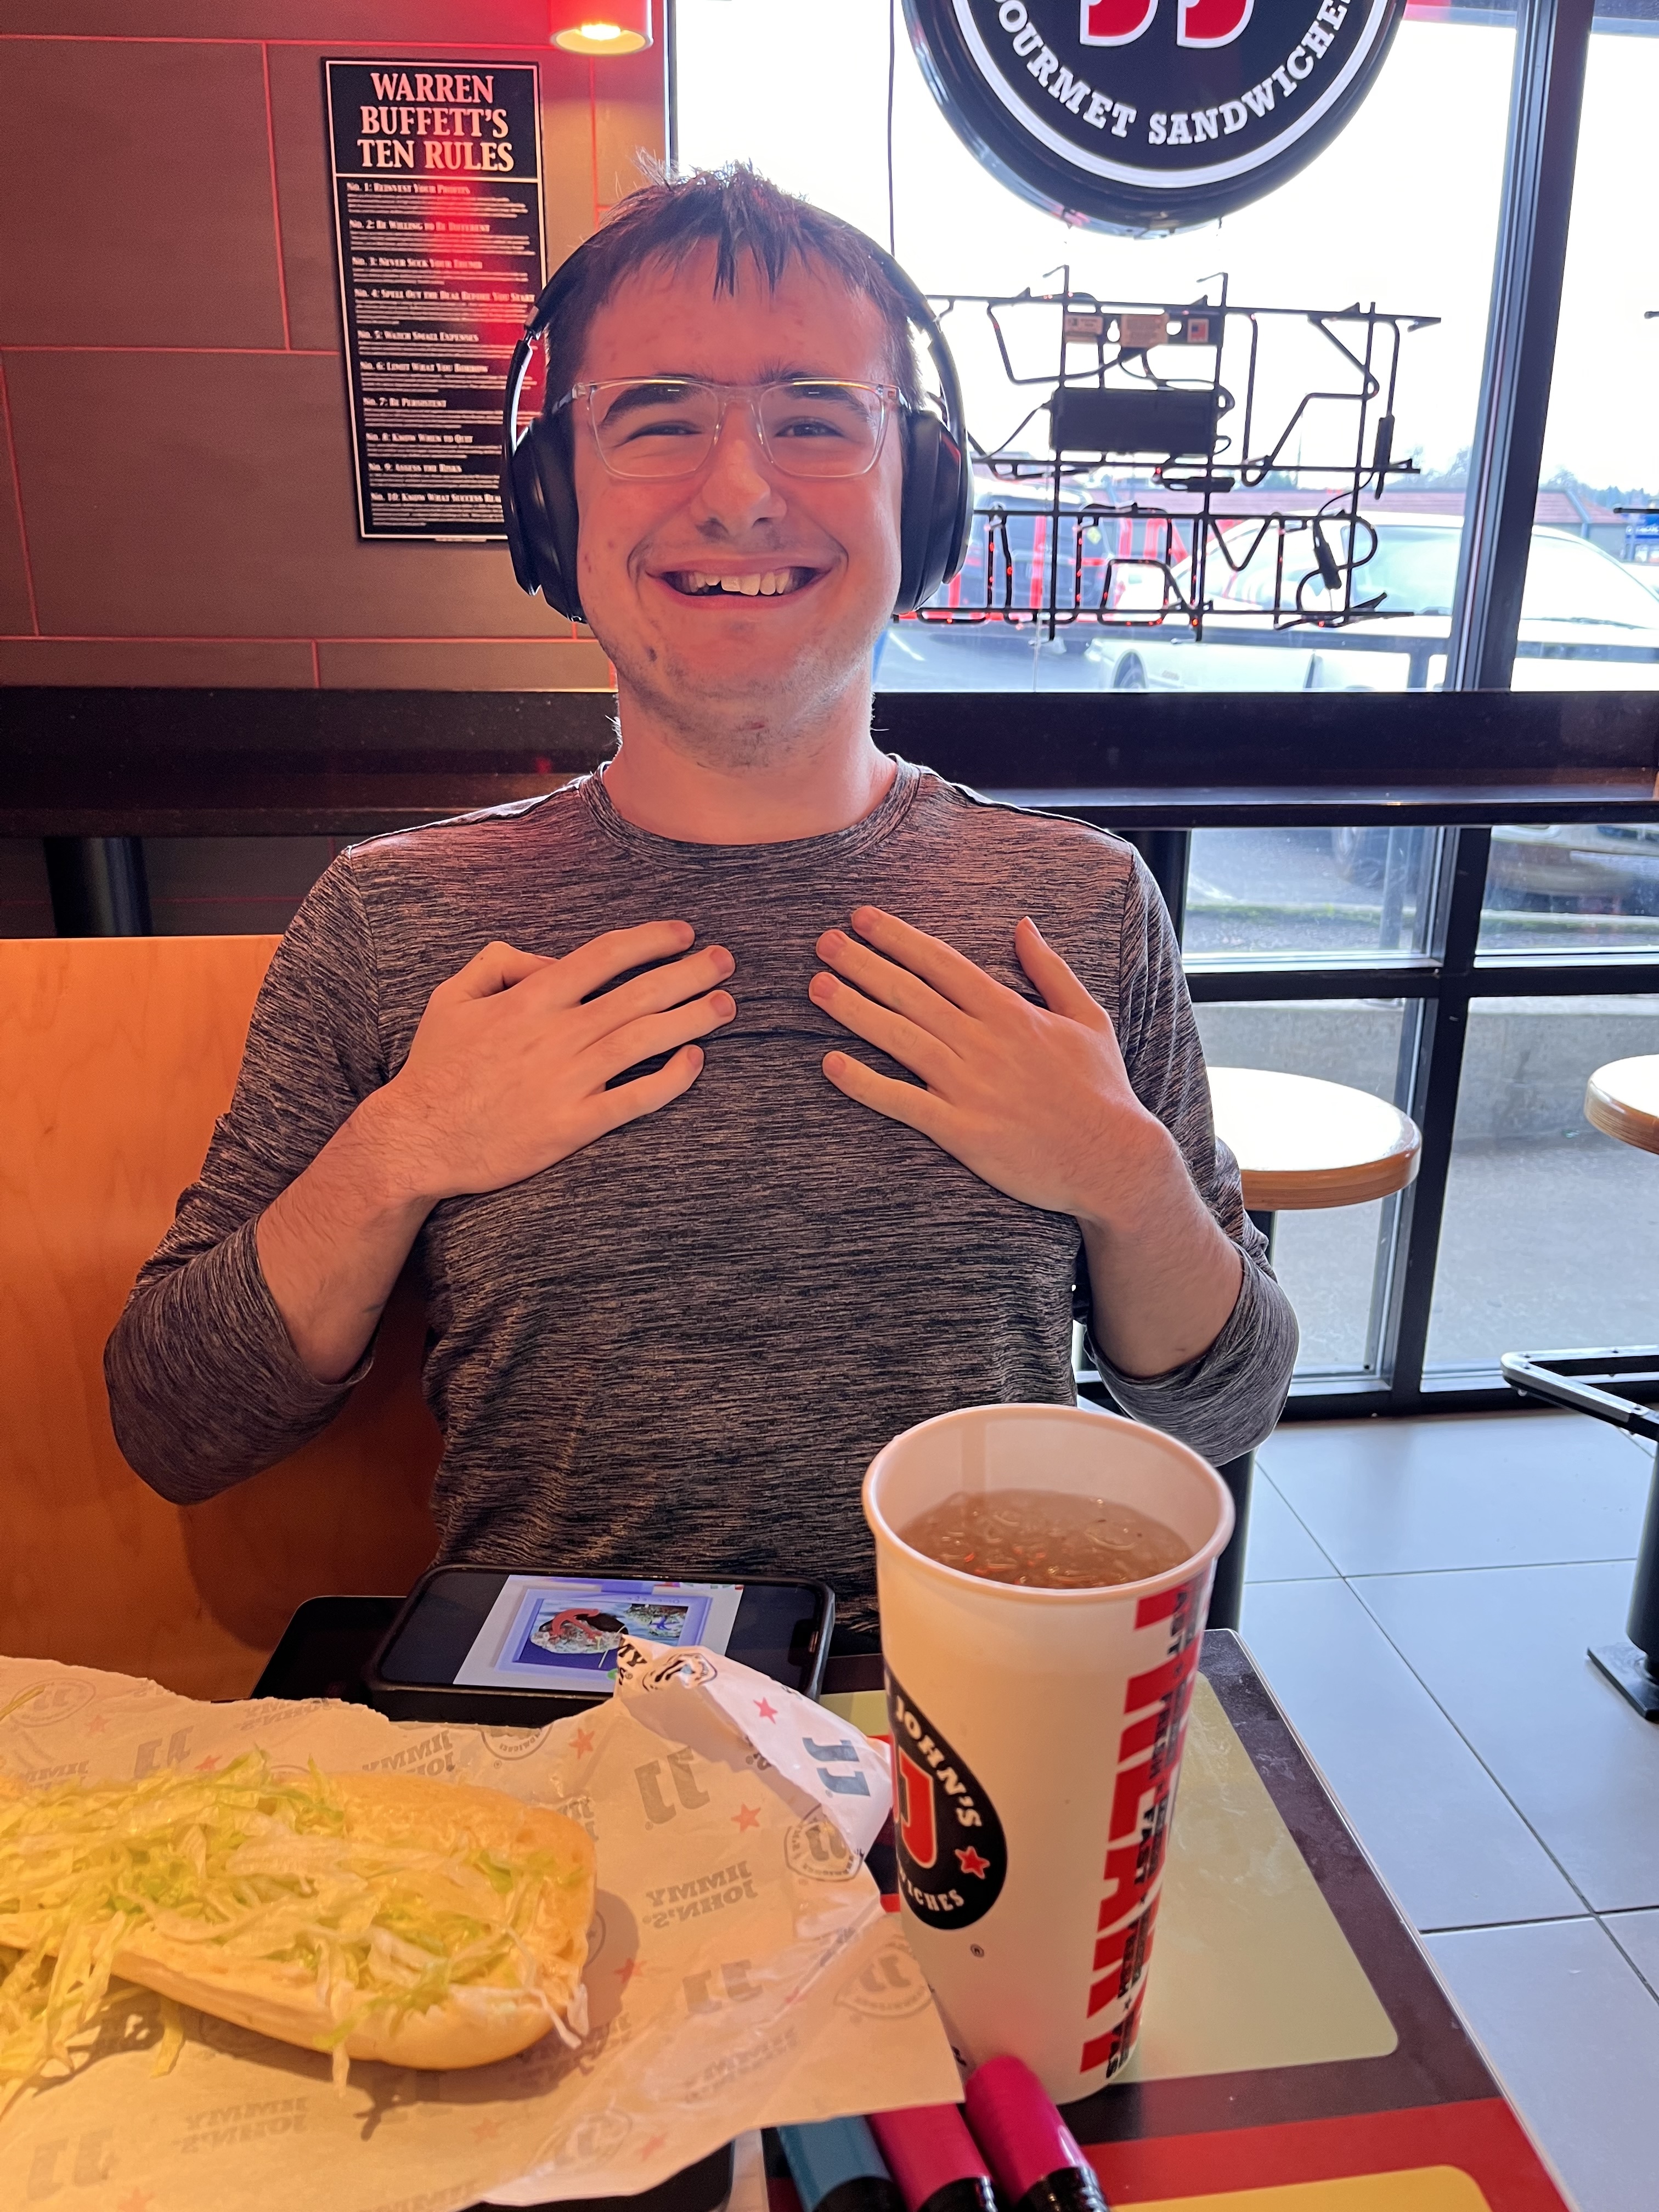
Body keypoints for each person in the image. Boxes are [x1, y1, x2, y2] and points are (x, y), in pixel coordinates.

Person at [105, 167, 1296, 1640]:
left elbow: (1233, 1399)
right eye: (659, 422)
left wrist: (1124, 1179)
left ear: (919, 499)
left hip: (954, 1730)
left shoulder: (1081, 908)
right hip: (550, 1739)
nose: (740, 492)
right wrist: (402, 1148)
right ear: (555, 500)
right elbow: (174, 1424)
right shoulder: (391, 923)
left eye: (814, 421)